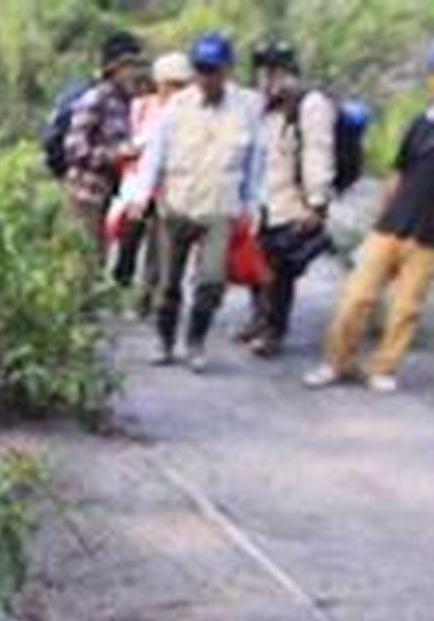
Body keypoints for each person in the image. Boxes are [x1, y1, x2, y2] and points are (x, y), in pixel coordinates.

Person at [128, 33, 264, 371]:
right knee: (167, 284)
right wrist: (141, 195)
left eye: (213, 69)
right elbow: (154, 155)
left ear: (227, 70)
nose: (206, 77)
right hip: (176, 206)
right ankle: (164, 342)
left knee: (211, 281)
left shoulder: (246, 108)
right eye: (200, 69)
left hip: (220, 209)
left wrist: (251, 206)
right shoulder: (176, 107)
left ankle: (196, 342)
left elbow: (254, 162)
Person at [305, 43, 434, 393]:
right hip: (389, 229)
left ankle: (383, 368)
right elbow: (397, 173)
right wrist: (380, 216)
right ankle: (336, 362)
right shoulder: (420, 125)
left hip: (428, 240)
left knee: (406, 310)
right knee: (354, 298)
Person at [243, 40, 337, 358]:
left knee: (281, 269)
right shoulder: (263, 105)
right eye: (264, 70)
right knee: (257, 261)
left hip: (293, 201)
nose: (268, 77)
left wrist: (317, 200)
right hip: (263, 199)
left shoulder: (311, 105)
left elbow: (317, 152)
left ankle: (274, 331)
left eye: (274, 70)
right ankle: (258, 319)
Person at [110, 52, 195, 314]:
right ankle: (121, 288)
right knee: (129, 241)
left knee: (160, 247)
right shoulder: (141, 106)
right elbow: (127, 139)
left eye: (181, 85)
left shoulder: (191, 111)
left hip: (169, 189)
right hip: (138, 185)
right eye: (172, 84)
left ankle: (150, 298)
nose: (176, 90)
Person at [63, 31, 146, 259]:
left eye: (137, 65)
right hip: (85, 196)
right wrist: (115, 155)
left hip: (106, 195)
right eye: (129, 65)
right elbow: (74, 148)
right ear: (113, 68)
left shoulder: (124, 103)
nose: (135, 72)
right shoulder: (95, 99)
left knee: (98, 261)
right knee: (85, 264)